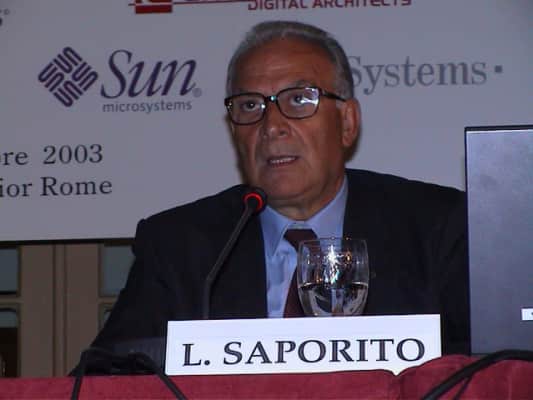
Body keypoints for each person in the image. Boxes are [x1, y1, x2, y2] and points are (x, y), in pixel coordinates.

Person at [90, 21, 470, 365]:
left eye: (299, 99)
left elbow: (490, 369)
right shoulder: (179, 246)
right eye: (250, 105)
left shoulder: (436, 226)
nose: (271, 125)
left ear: (347, 122)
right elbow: (104, 376)